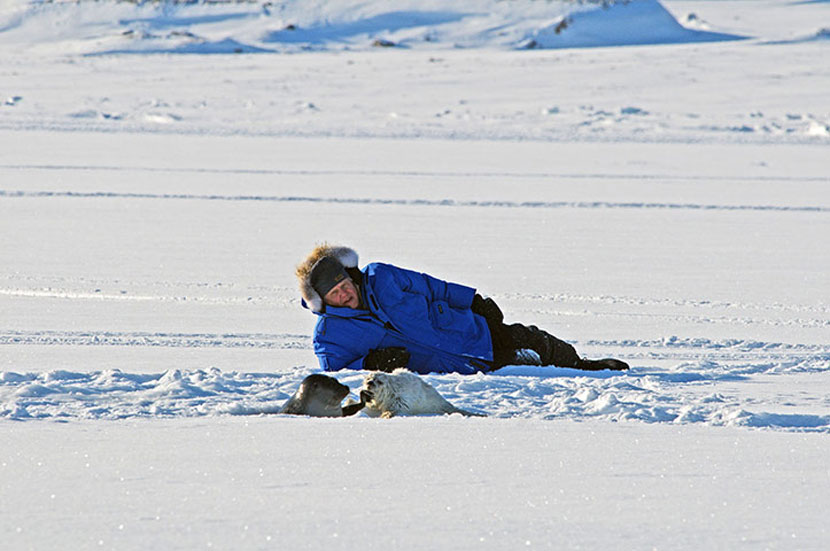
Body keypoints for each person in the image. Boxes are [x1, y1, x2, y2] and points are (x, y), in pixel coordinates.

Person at [296, 244, 629, 375]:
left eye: (345, 285)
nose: (346, 295)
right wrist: (369, 363)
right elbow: (336, 372)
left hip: (468, 330)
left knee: (531, 339)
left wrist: (473, 301)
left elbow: (431, 287)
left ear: (351, 277)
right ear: (324, 302)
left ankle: (582, 366)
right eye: (336, 295)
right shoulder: (330, 336)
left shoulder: (382, 277)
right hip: (446, 371)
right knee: (516, 369)